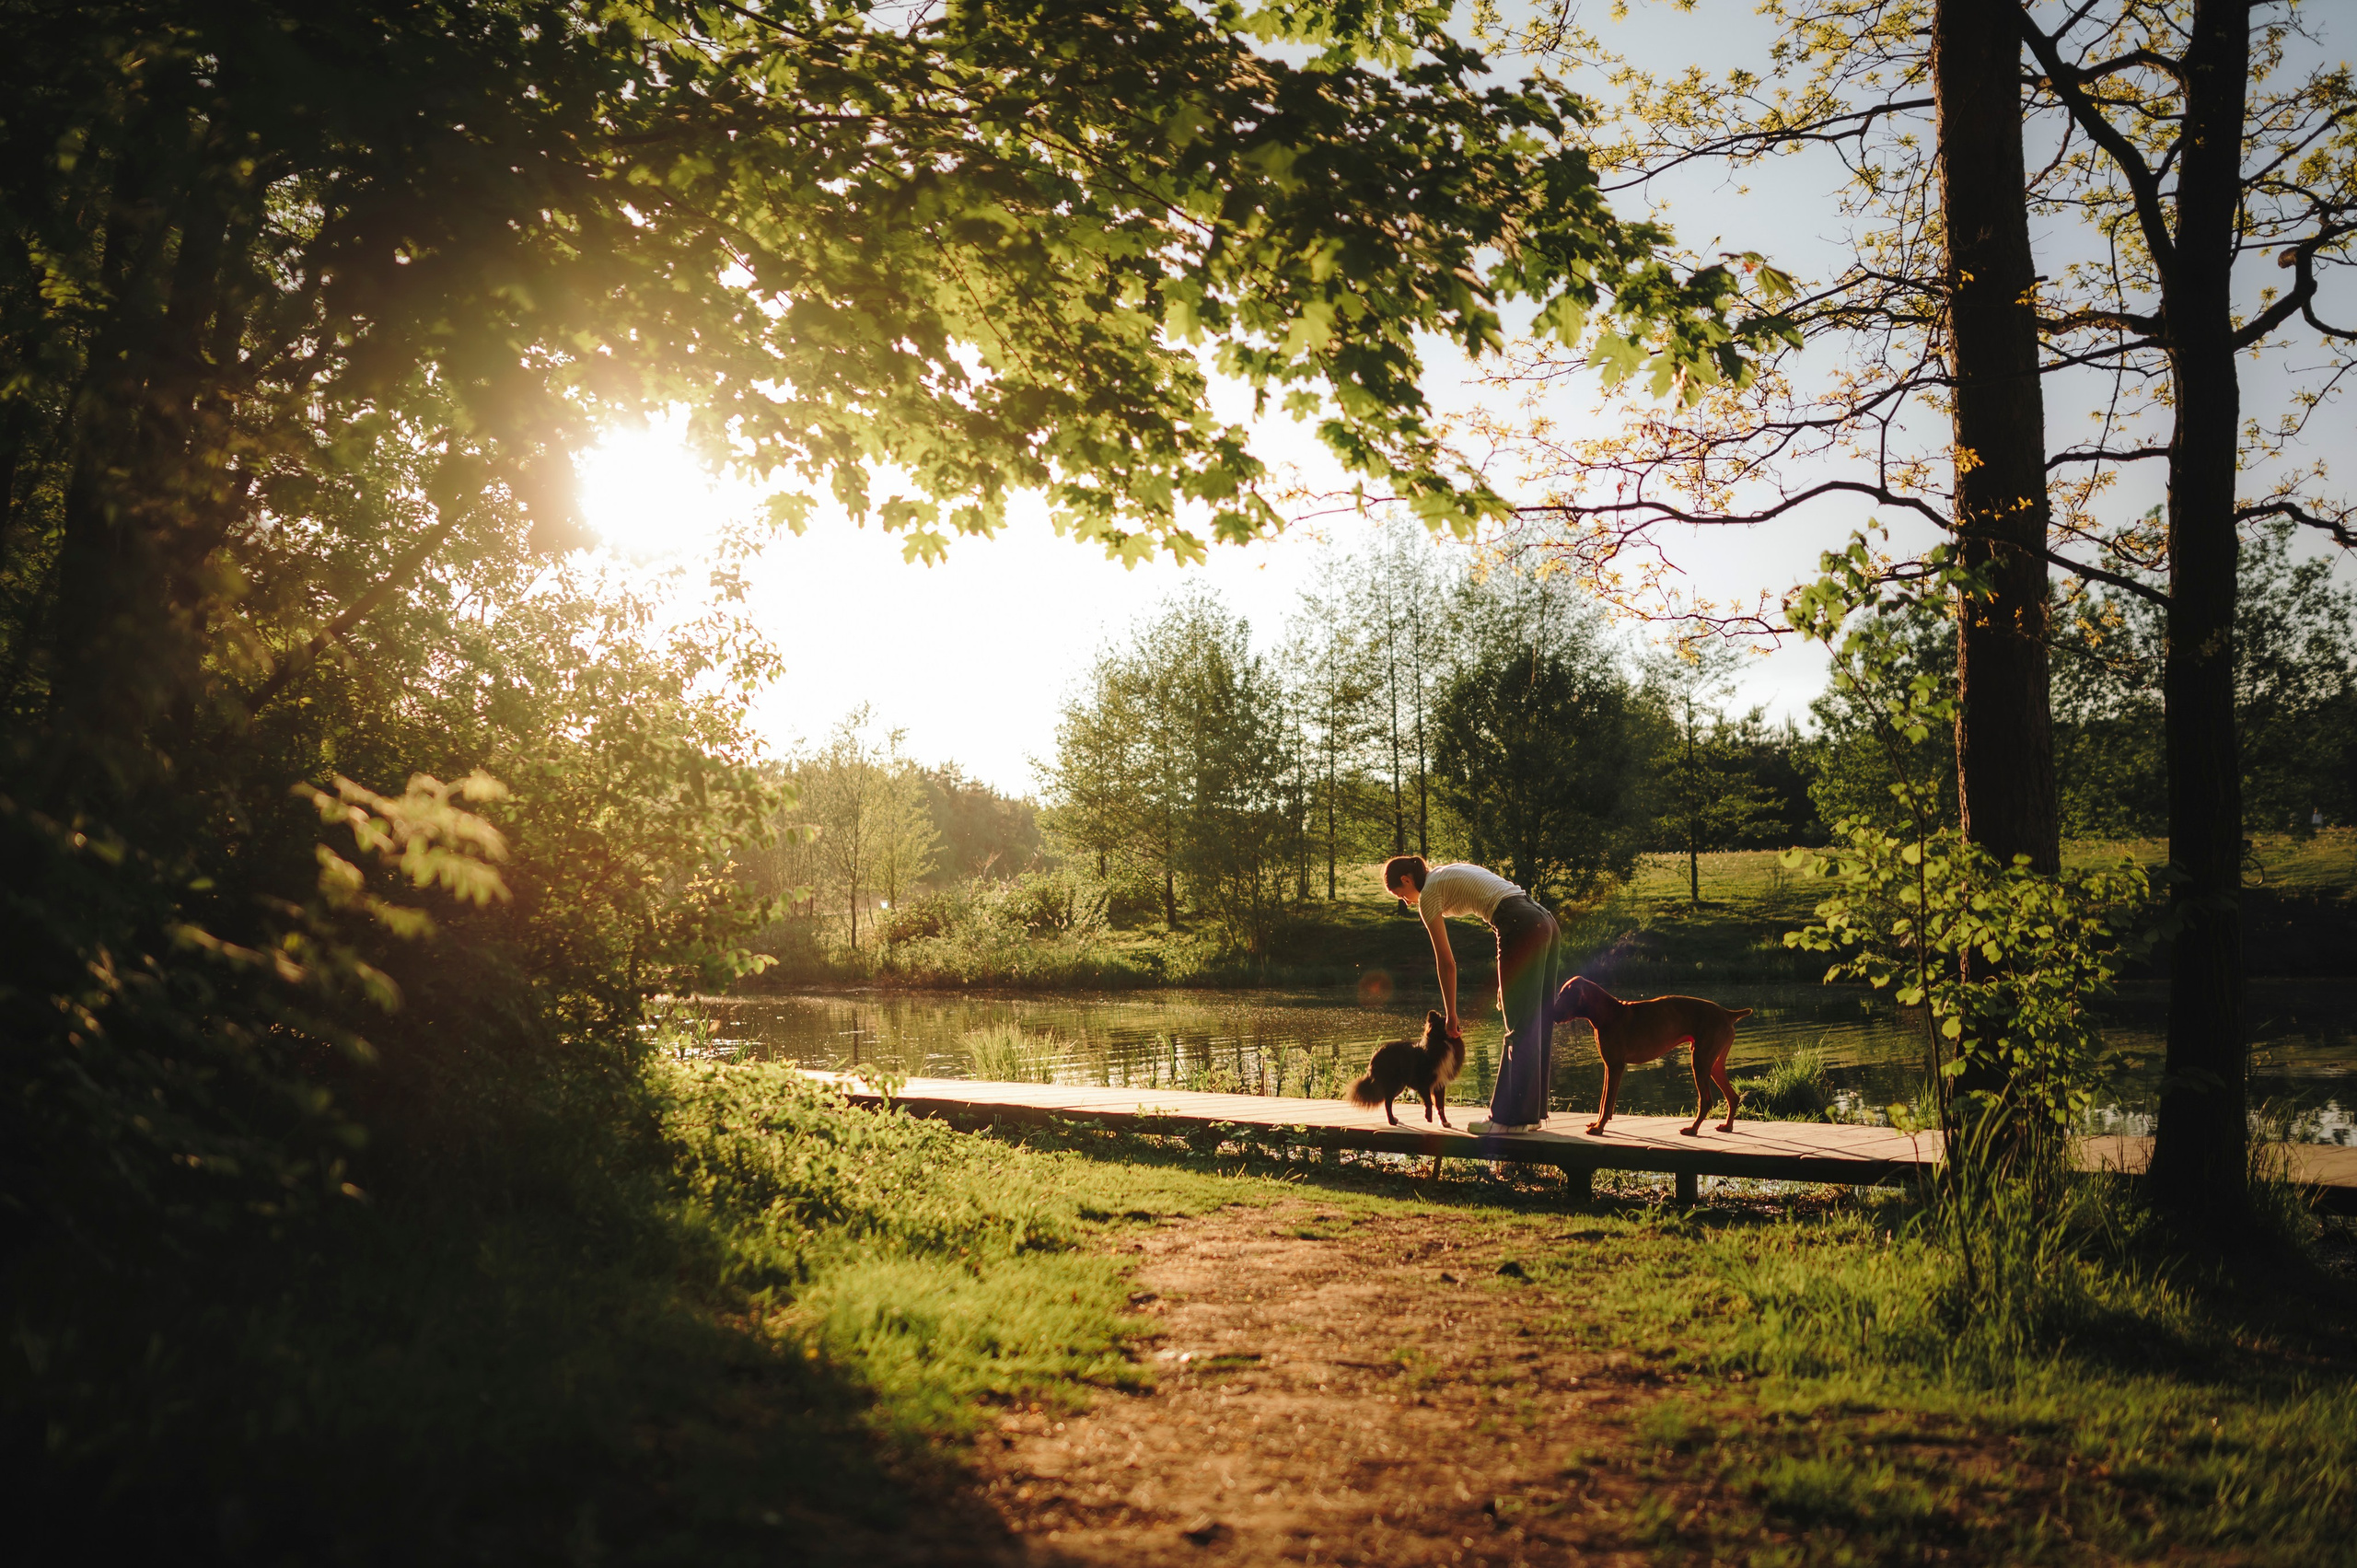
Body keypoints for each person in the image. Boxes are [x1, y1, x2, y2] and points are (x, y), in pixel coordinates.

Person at [1382, 854, 1560, 1130]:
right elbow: (1501, 900)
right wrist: (1508, 977)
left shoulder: (1428, 895)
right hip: (1543, 919)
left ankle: (1505, 1119)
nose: (1403, 900)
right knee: (1536, 1019)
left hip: (1519, 923)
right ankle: (1531, 1116)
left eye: (1400, 893)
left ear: (1407, 880)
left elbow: (1447, 963)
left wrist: (1451, 1015)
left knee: (1519, 1025)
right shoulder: (1444, 873)